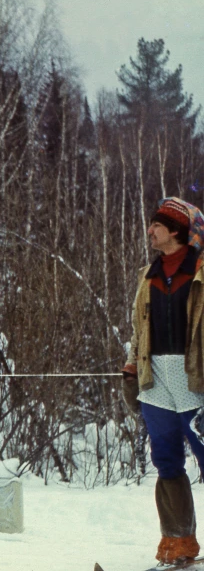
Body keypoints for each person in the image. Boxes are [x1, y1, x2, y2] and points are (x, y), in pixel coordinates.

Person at [123, 197, 204, 565]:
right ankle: (178, 541)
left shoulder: (200, 271)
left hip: (195, 381)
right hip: (156, 381)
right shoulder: (148, 274)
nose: (150, 230)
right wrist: (130, 369)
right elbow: (139, 329)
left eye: (157, 225)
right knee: (167, 462)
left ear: (175, 231)